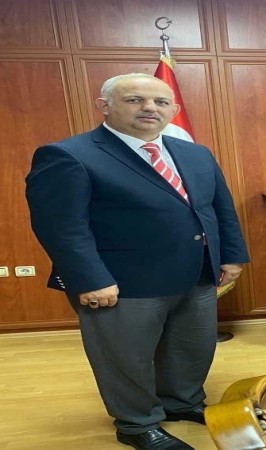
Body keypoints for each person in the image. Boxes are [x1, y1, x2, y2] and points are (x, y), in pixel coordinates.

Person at [25, 73, 250, 450]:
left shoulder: (196, 153)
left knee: (191, 348)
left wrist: (231, 255)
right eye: (134, 100)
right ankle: (137, 423)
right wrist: (89, 279)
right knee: (126, 359)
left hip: (196, 273)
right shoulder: (69, 155)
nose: (150, 108)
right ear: (105, 106)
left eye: (160, 102)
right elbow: (62, 227)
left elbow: (219, 209)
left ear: (173, 109)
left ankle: (182, 403)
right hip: (120, 282)